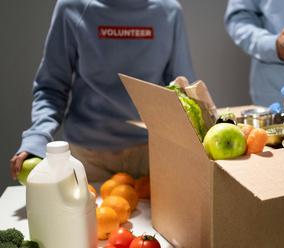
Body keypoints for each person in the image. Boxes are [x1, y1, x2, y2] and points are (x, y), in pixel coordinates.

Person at [10, 0, 196, 182]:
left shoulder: (169, 10)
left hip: (150, 153)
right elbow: (52, 87)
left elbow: (182, 90)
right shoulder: (71, 7)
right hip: (88, 158)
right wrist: (37, 137)